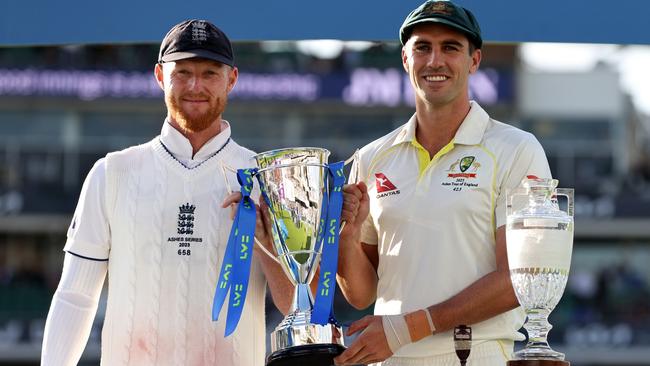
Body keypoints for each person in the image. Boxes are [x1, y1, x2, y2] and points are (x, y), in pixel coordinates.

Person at [40, 19, 292, 366]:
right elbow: (75, 295)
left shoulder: (267, 181)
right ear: (160, 76)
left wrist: (266, 242)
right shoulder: (112, 173)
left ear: (231, 79)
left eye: (209, 73)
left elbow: (295, 305)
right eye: (183, 72)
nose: (195, 85)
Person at [335, 1, 552, 365]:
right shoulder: (372, 157)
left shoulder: (517, 149)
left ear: (474, 60)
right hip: (388, 356)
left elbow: (517, 279)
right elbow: (360, 294)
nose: (435, 61)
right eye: (423, 47)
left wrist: (408, 328)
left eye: (450, 47)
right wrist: (346, 237)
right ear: (406, 59)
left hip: (474, 355)